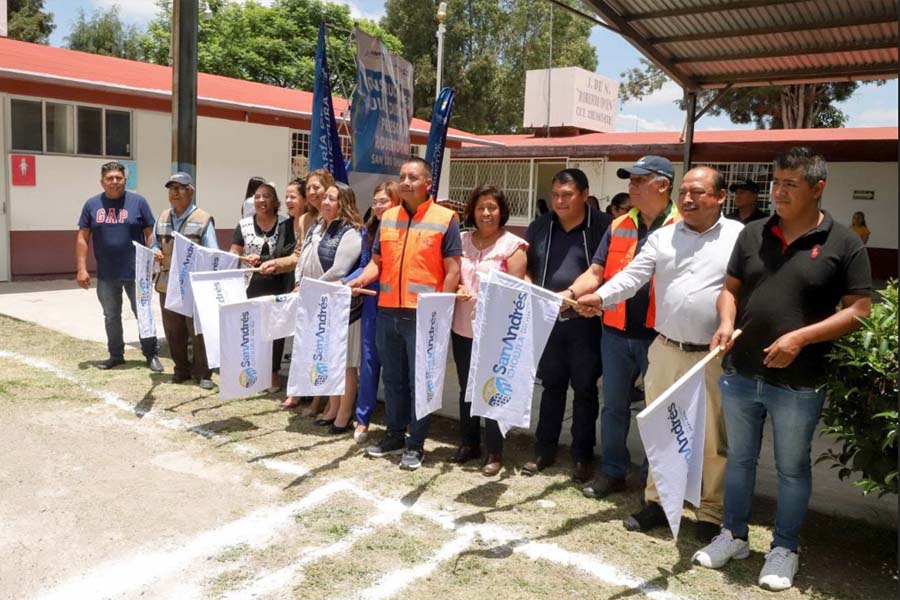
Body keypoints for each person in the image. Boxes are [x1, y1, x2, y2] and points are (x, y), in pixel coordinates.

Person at [693, 147, 872, 592]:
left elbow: (861, 311)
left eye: (790, 183)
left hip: (799, 382)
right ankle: (733, 535)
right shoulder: (753, 234)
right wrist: (726, 321)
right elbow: (729, 290)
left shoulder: (844, 242)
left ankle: (784, 548)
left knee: (792, 469)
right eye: (776, 182)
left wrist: (801, 338)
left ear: (818, 187)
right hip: (741, 372)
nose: (779, 191)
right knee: (739, 460)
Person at [575, 166, 743, 544]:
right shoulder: (663, 238)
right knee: (661, 430)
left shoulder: (739, 237)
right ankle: (658, 502)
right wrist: (600, 298)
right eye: (684, 191)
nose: (688, 199)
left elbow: (746, 287)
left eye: (698, 192)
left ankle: (710, 511)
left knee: (712, 436)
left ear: (720, 197)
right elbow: (631, 277)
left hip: (712, 355)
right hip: (665, 348)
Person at [569, 155, 680, 499]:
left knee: (657, 412)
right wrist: (571, 294)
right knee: (613, 407)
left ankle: (653, 481)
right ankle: (613, 470)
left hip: (660, 337)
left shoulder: (683, 227)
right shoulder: (619, 226)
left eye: (638, 180)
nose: (630, 186)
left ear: (662, 184)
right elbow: (596, 273)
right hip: (615, 334)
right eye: (629, 180)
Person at [346, 157, 462, 471]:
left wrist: (441, 309)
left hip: (423, 316)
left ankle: (416, 443)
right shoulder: (388, 218)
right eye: (402, 177)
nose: (406, 182)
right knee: (394, 379)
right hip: (387, 312)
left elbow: (453, 270)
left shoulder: (445, 218)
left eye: (413, 177)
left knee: (419, 382)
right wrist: (359, 279)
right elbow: (377, 263)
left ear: (428, 183)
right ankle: (395, 435)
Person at [521, 168, 611, 483]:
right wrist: (531, 288)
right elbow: (528, 267)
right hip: (548, 321)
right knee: (552, 387)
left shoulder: (602, 227)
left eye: (567, 195)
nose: (559, 201)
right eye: (556, 195)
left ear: (585, 195)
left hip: (586, 322)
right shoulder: (540, 226)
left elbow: (608, 272)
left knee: (585, 389)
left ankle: (582, 456)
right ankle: (544, 450)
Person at [452, 185, 528, 476]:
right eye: (481, 207)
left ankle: (494, 451)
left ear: (501, 211)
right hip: (462, 326)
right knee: (466, 388)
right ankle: (468, 443)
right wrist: (458, 287)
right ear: (472, 210)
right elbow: (450, 274)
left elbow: (517, 289)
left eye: (492, 208)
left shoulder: (513, 246)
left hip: (495, 331)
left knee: (491, 387)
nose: (486, 213)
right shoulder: (460, 241)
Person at [292, 181, 365, 434]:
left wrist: (309, 288)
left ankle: (344, 415)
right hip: (321, 303)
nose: (325, 202)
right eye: (325, 198)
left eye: (332, 199)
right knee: (331, 358)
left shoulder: (351, 232)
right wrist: (301, 284)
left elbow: (339, 270)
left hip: (344, 308)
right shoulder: (320, 226)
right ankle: (332, 408)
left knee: (346, 363)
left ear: (343, 203)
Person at [75, 161, 161, 371]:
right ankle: (116, 355)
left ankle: (151, 354)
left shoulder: (138, 202)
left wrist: (151, 260)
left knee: (143, 313)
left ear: (124, 179)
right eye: (110, 178)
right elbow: (83, 237)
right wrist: (81, 268)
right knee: (111, 316)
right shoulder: (92, 205)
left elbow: (150, 232)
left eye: (118, 178)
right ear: (102, 182)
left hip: (137, 272)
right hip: (106, 272)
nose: (114, 181)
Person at [260, 170, 332, 414]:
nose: (312, 192)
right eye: (309, 188)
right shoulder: (304, 221)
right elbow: (298, 257)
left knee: (323, 344)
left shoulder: (337, 216)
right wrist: (276, 264)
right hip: (305, 288)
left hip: (329, 290)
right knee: (303, 342)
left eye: (317, 188)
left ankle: (320, 398)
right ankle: (300, 390)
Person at [152, 172, 218, 390]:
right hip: (167, 283)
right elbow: (154, 244)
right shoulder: (162, 217)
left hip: (193, 285)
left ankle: (203, 372)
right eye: (172, 189)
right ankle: (180, 369)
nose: (175, 193)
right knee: (173, 330)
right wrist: (155, 252)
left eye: (180, 188)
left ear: (191, 191)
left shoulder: (203, 219)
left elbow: (213, 252)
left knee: (197, 331)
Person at [230, 181, 295, 393]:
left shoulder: (286, 223)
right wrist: (242, 257)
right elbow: (233, 252)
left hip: (278, 285)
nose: (261, 200)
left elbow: (289, 253)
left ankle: (273, 373)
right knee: (253, 331)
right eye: (257, 197)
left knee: (275, 332)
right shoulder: (244, 224)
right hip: (251, 285)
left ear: (275, 201)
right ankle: (254, 373)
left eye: (266, 196)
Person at [349, 181, 401, 444]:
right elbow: (365, 265)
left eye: (385, 201)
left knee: (395, 367)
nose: (379, 206)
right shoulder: (367, 231)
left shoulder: (403, 229)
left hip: (396, 303)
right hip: (371, 302)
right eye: (376, 201)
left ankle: (398, 422)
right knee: (368, 363)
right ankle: (362, 419)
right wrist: (348, 282)